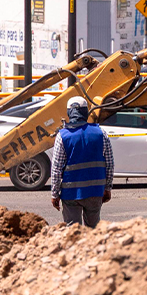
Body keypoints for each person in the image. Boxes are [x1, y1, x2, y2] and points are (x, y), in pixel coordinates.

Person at [50, 96, 114, 228]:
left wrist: (54, 194)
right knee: (93, 231)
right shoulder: (101, 133)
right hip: (95, 191)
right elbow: (109, 164)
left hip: (71, 193)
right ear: (86, 112)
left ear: (69, 113)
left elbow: (56, 169)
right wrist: (107, 187)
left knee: (73, 233)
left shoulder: (63, 136)